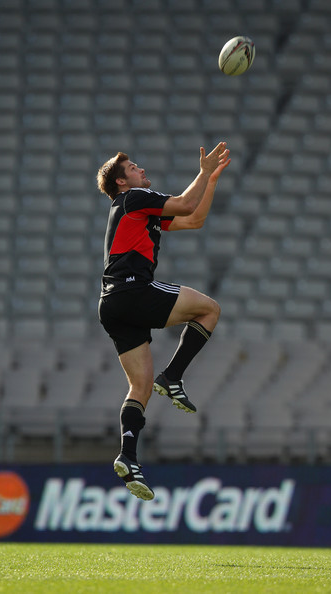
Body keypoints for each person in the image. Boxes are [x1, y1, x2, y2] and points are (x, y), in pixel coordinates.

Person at [97, 143, 231, 501]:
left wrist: (210, 182)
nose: (141, 170)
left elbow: (194, 220)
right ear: (122, 182)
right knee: (210, 310)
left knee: (139, 386)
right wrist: (203, 171)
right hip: (133, 290)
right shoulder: (135, 197)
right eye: (133, 168)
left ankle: (127, 456)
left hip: (111, 304)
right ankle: (172, 377)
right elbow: (185, 204)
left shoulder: (138, 209)